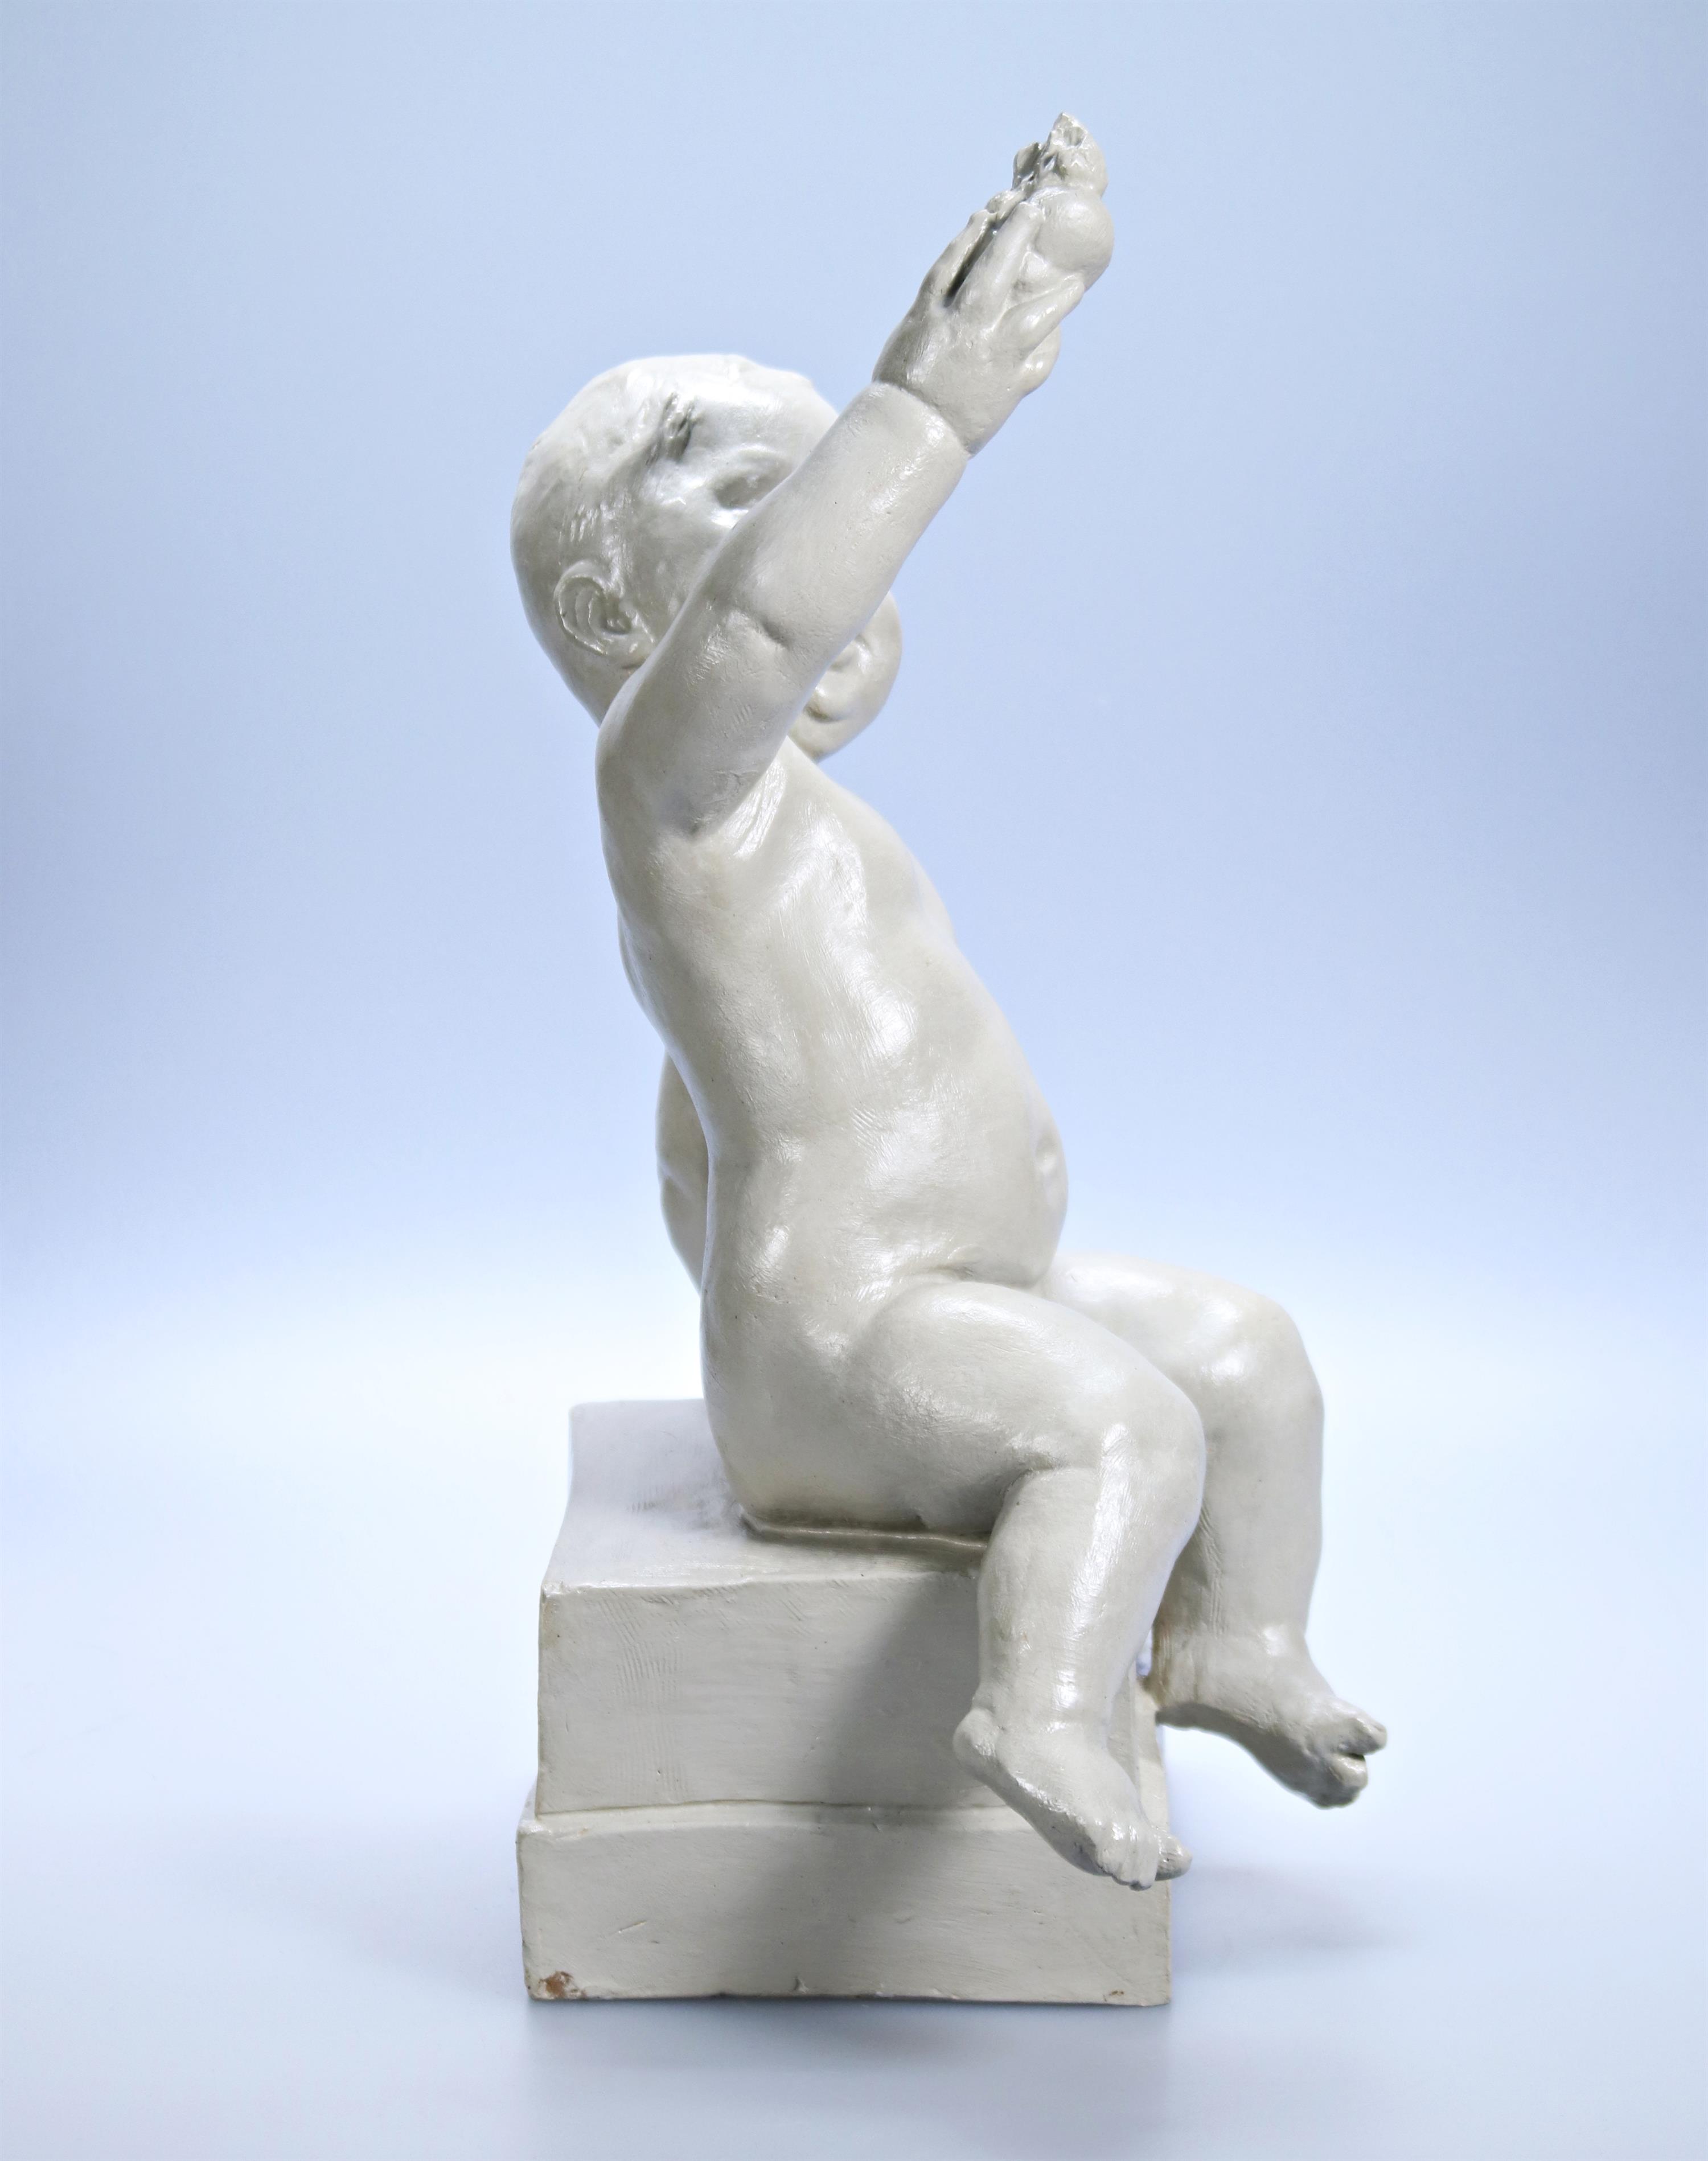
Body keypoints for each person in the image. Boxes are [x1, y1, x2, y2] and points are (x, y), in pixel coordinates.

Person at [511, 122, 1384, 1891]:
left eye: (831, 494)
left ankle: (1235, 1642)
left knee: (1246, 1359)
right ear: (615, 609)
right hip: (847, 1340)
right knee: (1123, 1425)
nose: (834, 549)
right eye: (763, 506)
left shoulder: (785, 831)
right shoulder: (671, 793)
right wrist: (933, 400)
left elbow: (691, 1140)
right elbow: (757, 634)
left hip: (959, 1294)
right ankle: (1039, 1710)